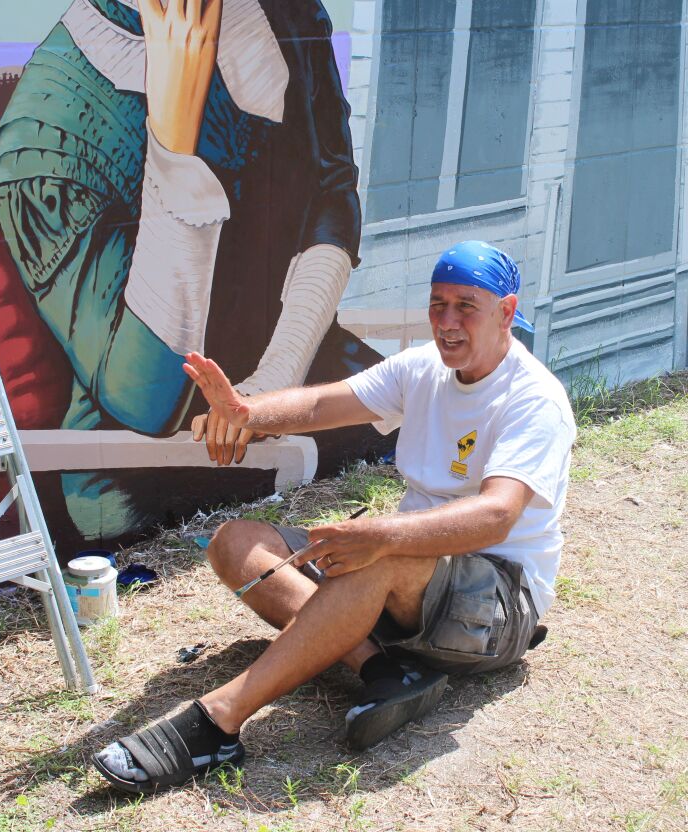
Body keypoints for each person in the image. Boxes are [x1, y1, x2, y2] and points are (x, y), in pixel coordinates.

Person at [90, 240, 577, 794]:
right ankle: (382, 670)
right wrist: (248, 413)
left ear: (506, 311)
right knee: (236, 543)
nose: (447, 322)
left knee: (378, 554)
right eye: (437, 305)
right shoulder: (424, 369)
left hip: (497, 605)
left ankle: (216, 722)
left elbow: (496, 516)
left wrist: (379, 536)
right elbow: (325, 405)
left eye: (466, 306)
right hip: (410, 586)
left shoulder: (533, 398)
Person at [0, 0, 381, 543]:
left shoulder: (291, 12)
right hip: (150, 455)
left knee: (430, 430)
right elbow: (140, 401)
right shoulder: (45, 130)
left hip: (302, 369)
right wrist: (171, 146)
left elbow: (332, 189)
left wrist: (275, 381)